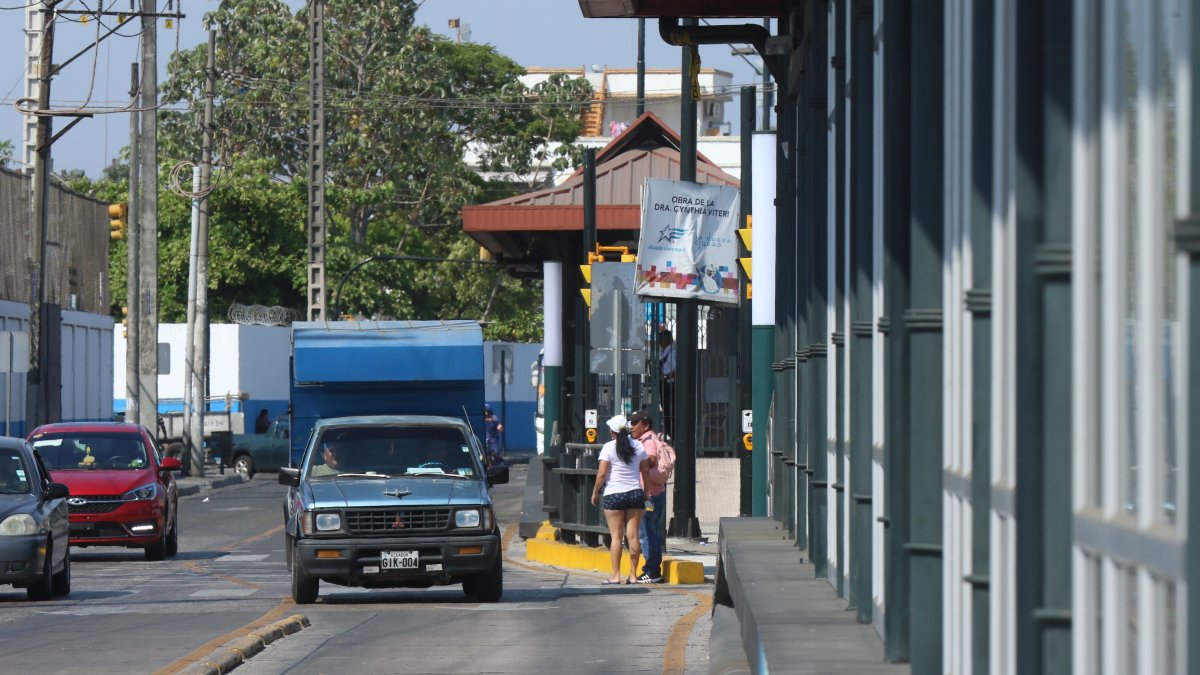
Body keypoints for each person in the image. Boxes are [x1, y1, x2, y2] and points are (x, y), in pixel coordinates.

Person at [590, 414, 651, 585]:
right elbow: (645, 471)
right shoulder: (638, 446)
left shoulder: (608, 447)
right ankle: (632, 575)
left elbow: (602, 474)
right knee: (633, 536)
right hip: (634, 493)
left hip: (613, 494)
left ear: (613, 431)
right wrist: (645, 492)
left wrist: (595, 492)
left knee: (616, 537)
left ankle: (615, 576)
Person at [630, 410, 668, 583]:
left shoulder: (648, 440)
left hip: (649, 494)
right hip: (655, 492)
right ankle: (653, 569)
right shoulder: (647, 439)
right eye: (631, 422)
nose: (632, 426)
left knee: (646, 532)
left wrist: (634, 461)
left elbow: (651, 460)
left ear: (645, 425)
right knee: (651, 531)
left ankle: (652, 570)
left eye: (636, 423)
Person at [657, 329, 676, 438]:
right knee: (667, 414)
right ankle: (671, 434)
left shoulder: (673, 351)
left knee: (670, 413)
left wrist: (666, 376)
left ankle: (673, 435)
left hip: (671, 385)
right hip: (665, 385)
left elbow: (678, 369)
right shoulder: (665, 351)